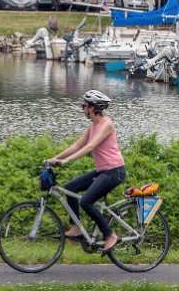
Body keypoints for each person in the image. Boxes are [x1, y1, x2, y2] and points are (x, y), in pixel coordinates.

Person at [48, 90, 126, 254]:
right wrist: (55, 158)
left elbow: (90, 147)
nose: (82, 108)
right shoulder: (93, 126)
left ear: (92, 107)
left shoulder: (106, 125)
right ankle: (76, 228)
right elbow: (77, 145)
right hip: (102, 171)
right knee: (70, 188)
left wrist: (67, 161)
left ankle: (110, 235)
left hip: (114, 172)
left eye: (84, 105)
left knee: (86, 202)